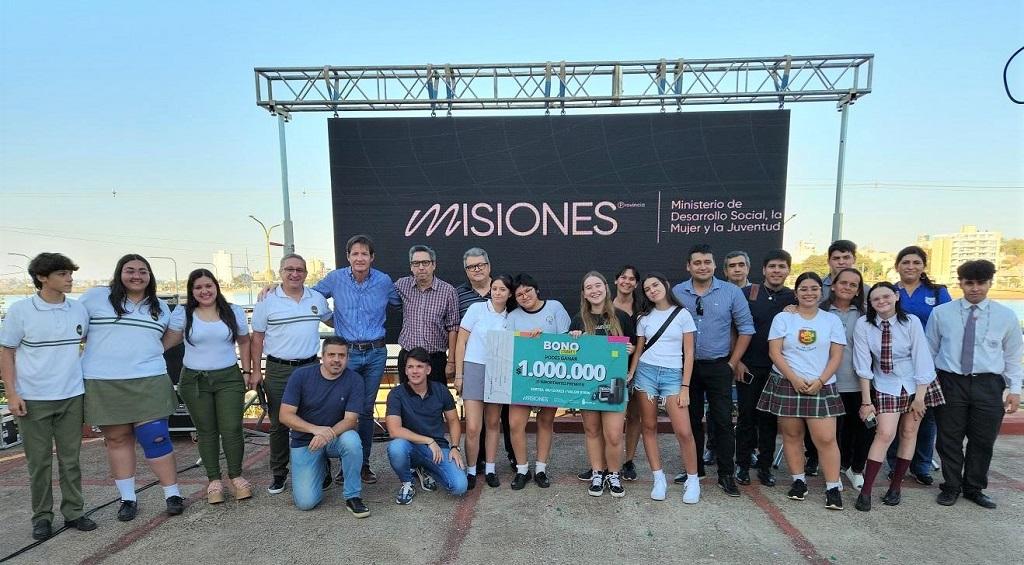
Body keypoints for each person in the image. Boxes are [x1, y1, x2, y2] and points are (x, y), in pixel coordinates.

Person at [80, 254, 184, 521]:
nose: (136, 276)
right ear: (119, 273)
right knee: (117, 439)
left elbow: (172, 335)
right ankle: (128, 498)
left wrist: (154, 351)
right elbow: (75, 331)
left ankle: (172, 493)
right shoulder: (95, 298)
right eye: (130, 270)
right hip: (104, 381)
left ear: (150, 276)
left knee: (156, 437)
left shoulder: (160, 307)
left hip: (148, 379)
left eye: (143, 271)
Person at [0, 253, 96, 540]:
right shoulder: (21, 311)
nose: (70, 279)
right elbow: (7, 352)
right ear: (43, 277)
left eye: (70, 273)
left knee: (71, 460)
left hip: (71, 395)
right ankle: (41, 517)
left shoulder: (78, 310)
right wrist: (12, 393)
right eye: (63, 274)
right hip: (33, 398)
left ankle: (74, 512)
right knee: (39, 462)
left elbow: (88, 343)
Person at [927, 260, 1022, 509]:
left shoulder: (1006, 316)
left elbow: (1012, 356)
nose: (975, 288)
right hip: (950, 381)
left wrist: (1015, 389)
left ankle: (974, 487)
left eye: (981, 283)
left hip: (988, 384)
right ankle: (951, 486)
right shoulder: (942, 313)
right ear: (961, 284)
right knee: (949, 439)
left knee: (982, 439)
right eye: (969, 283)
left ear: (990, 283)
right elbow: (929, 350)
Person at [312, 234, 401, 485]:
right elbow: (311, 296)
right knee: (341, 408)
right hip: (346, 353)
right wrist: (329, 317)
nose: (360, 258)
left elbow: (399, 302)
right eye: (355, 253)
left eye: (365, 254)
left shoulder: (383, 281)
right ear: (348, 256)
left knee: (364, 409)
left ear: (372, 258)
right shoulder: (335, 278)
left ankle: (363, 465)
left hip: (374, 353)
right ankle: (343, 464)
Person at [757, 272, 846, 510]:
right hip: (788, 383)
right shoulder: (783, 319)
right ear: (795, 293)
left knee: (825, 439)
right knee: (791, 435)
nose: (809, 293)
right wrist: (794, 379)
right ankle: (798, 481)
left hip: (821, 384)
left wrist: (821, 380)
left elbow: (837, 355)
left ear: (821, 292)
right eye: (804, 289)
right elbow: (774, 352)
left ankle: (832, 487)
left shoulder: (831, 320)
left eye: (814, 288)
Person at [852, 282, 944, 511]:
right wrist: (866, 401)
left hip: (916, 383)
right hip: (886, 383)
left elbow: (922, 357)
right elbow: (862, 364)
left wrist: (920, 397)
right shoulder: (864, 325)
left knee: (909, 432)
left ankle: (896, 486)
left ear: (895, 296)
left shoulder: (910, 321)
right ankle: (866, 491)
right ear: (870, 303)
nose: (881, 301)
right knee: (884, 434)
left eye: (886, 296)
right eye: (875, 299)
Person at [671, 244, 754, 497]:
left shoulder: (731, 292)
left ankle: (726, 474)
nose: (703, 266)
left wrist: (731, 363)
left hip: (719, 366)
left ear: (714, 265)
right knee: (691, 421)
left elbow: (746, 329)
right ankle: (694, 469)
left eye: (707, 262)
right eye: (697, 262)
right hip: (687, 368)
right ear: (688, 266)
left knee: (723, 422)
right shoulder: (676, 292)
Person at [165, 269, 253, 503]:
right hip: (194, 380)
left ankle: (236, 476)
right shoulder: (183, 313)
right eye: (198, 287)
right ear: (191, 291)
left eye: (208, 286)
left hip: (229, 378)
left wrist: (247, 371)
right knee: (206, 431)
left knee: (232, 428)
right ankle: (214, 479)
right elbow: (166, 342)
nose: (204, 291)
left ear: (216, 287)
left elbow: (244, 341)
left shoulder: (232, 311)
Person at [250, 253, 333, 495]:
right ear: (280, 272)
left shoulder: (316, 298)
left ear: (306, 274)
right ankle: (279, 472)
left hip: (310, 367)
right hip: (278, 369)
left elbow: (334, 321)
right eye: (289, 269)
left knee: (315, 419)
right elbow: (257, 338)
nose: (294, 273)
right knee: (278, 423)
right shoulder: (267, 301)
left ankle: (322, 466)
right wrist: (256, 370)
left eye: (299, 270)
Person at [627, 272, 701, 503]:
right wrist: (631, 372)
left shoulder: (683, 314)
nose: (652, 290)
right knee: (648, 427)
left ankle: (693, 479)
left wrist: (685, 386)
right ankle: (658, 478)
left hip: (673, 376)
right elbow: (639, 350)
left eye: (655, 285)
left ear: (665, 285)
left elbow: (689, 353)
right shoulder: (643, 318)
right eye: (647, 288)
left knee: (684, 431)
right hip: (646, 375)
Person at [278, 337, 369, 517]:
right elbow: (285, 415)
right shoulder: (301, 376)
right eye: (332, 355)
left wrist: (327, 434)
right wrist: (315, 429)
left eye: (342, 355)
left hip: (336, 438)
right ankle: (322, 467)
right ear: (322, 356)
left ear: (347, 358)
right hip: (306, 441)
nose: (336, 359)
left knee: (352, 440)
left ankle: (353, 496)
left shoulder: (355, 380)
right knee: (306, 503)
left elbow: (351, 420)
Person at [886, 245, 952, 486]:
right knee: (894, 416)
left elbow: (949, 326)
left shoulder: (938, 292)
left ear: (923, 266)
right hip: (895, 365)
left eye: (916, 262)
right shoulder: (890, 292)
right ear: (897, 266)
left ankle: (922, 466)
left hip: (928, 365)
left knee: (924, 416)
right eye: (905, 262)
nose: (910, 267)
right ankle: (895, 465)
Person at [570, 271, 635, 498]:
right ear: (584, 294)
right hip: (588, 384)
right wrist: (573, 338)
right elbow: (570, 355)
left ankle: (614, 474)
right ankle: (598, 473)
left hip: (614, 383)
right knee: (592, 430)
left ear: (606, 288)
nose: (594, 290)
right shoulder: (579, 320)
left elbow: (635, 347)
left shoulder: (622, 317)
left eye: (598, 285)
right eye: (589, 287)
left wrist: (632, 351)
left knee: (614, 434)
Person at [734, 249, 796, 488]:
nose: (777, 271)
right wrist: (736, 360)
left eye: (782, 267)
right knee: (746, 417)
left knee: (769, 420)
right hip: (748, 367)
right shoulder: (747, 293)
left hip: (779, 370)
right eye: (772, 266)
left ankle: (764, 466)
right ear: (763, 270)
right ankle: (741, 464)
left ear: (788, 270)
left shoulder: (794, 298)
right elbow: (735, 328)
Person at [506, 274, 572, 489]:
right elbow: (509, 346)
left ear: (536, 290)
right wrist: (525, 338)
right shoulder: (513, 316)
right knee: (516, 424)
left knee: (545, 422)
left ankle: (541, 469)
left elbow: (566, 342)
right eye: (519, 294)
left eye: (528, 291)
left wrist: (545, 340)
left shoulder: (555, 307)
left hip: (550, 376)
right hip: (522, 377)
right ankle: (522, 470)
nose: (525, 296)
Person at [454, 247, 515, 473]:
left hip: (499, 372)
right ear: (491, 289)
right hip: (474, 369)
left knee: (492, 424)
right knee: (472, 426)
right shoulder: (476, 309)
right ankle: (471, 470)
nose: (498, 292)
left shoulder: (513, 316)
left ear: (510, 293)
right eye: (495, 289)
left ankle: (489, 469)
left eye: (503, 289)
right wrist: (459, 374)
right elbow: (461, 342)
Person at [387, 347, 468, 504]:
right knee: (396, 447)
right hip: (410, 446)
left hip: (438, 449)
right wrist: (427, 440)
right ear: (405, 370)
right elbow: (394, 430)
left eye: (419, 366)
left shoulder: (441, 390)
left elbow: (453, 421)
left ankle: (425, 469)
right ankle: (407, 482)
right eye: (410, 367)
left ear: (428, 369)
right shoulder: (396, 394)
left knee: (459, 486)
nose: (414, 371)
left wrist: (455, 447)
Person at [821, 268, 872, 491]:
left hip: (860, 383)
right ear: (833, 284)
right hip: (829, 382)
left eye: (854, 285)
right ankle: (835, 470)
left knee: (862, 429)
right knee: (833, 433)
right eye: (843, 283)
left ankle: (856, 468)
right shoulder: (820, 311)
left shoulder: (866, 314)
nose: (847, 287)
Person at [394, 244, 460, 384]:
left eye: (425, 262)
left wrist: (451, 361)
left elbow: (453, 328)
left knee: (436, 402)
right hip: (408, 357)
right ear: (411, 267)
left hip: (435, 359)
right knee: (408, 402)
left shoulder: (448, 291)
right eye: (416, 263)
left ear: (434, 265)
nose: (421, 267)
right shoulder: (402, 285)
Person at [612, 265, 643, 482]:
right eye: (623, 277)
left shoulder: (644, 308)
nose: (627, 281)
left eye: (632, 279)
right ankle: (604, 464)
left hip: (640, 370)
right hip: (612, 371)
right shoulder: (604, 306)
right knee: (609, 419)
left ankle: (628, 461)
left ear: (637, 284)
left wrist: (636, 350)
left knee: (634, 416)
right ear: (615, 281)